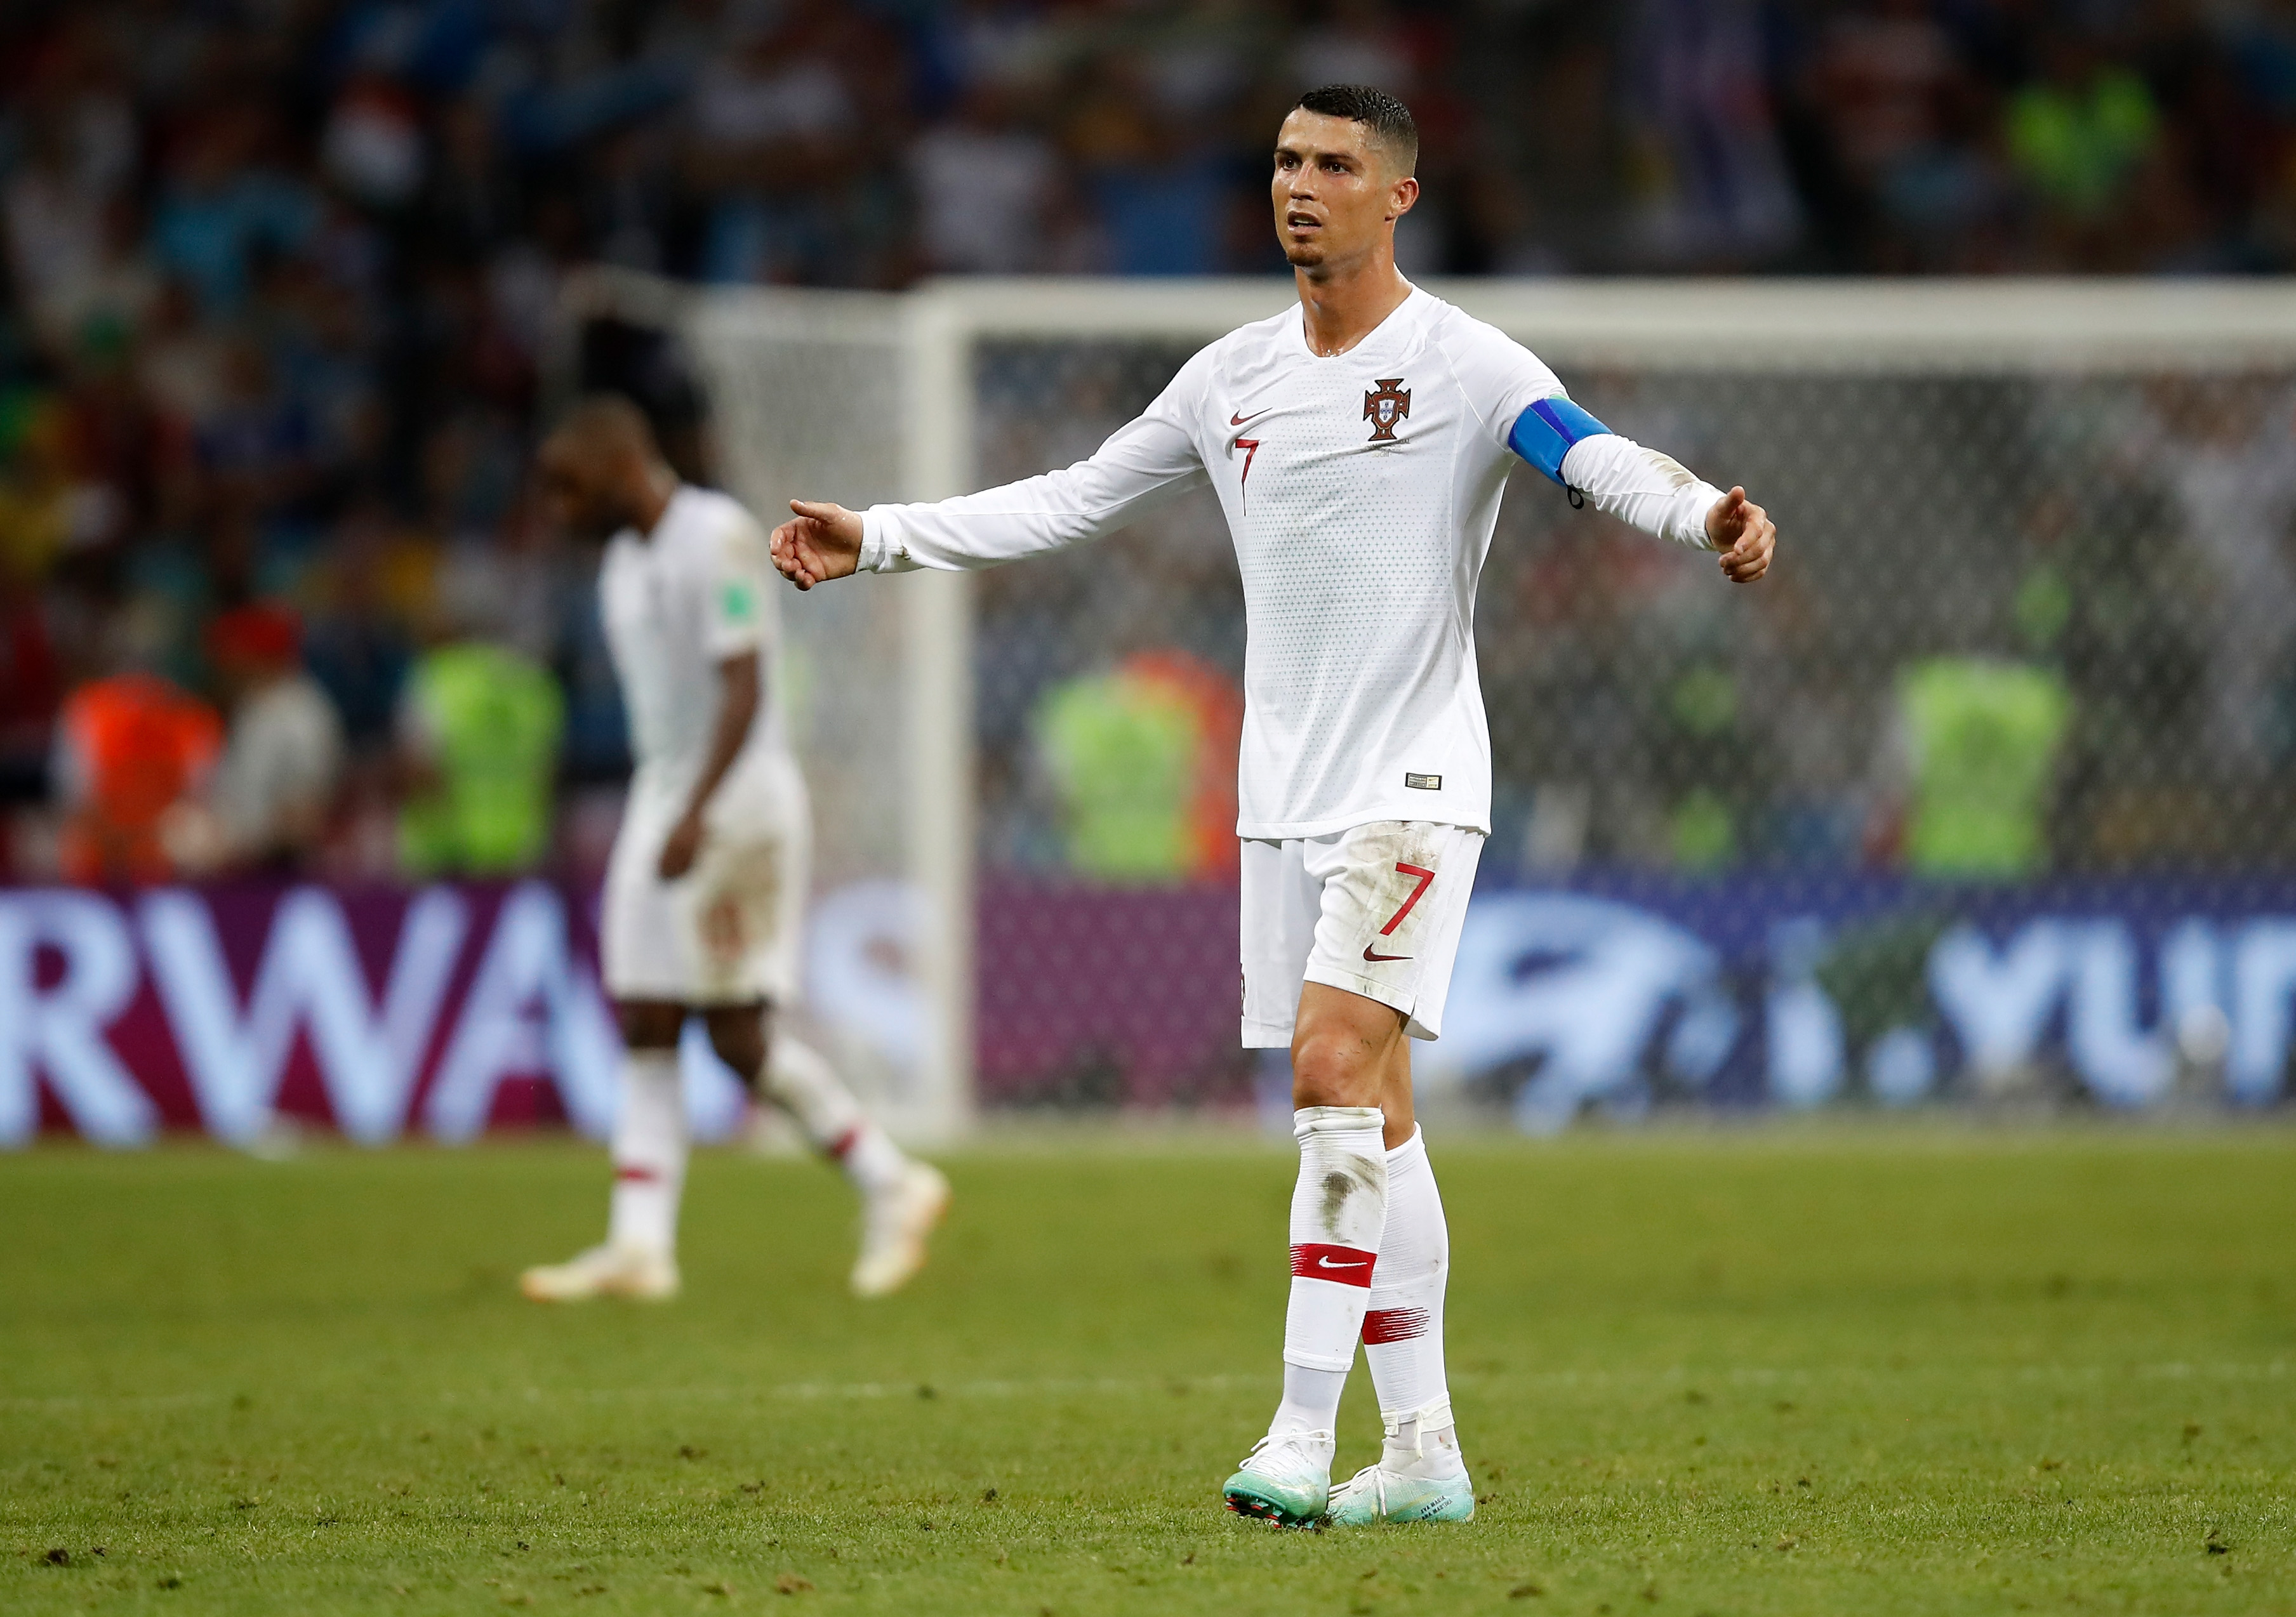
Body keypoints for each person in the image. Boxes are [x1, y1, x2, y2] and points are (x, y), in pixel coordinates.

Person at [769, 85, 1776, 1527]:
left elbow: (1585, 454)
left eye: (1334, 165)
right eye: (1286, 162)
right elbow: (1067, 499)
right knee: (1376, 1114)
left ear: (1396, 196)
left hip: (1415, 783)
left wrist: (1700, 516)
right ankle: (1421, 1452)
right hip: (1283, 796)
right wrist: (876, 539)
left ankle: (1300, 1436)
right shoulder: (1226, 375)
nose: (1299, 186)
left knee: (1323, 1072)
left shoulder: (1466, 363)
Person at [522, 395, 948, 1304]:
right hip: (665, 799)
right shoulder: (623, 565)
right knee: (645, 1014)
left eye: (569, 490)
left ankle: (892, 1178)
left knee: (736, 1036)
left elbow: (744, 684)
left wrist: (698, 812)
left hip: (734, 806)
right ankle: (639, 1247)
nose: (560, 512)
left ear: (618, 468)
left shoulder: (711, 534)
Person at [204, 602, 346, 873]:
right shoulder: (253, 706)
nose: (227, 665)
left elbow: (306, 814)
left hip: (284, 872)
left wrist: (240, 846)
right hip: (245, 866)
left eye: (238, 654)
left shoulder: (301, 713)